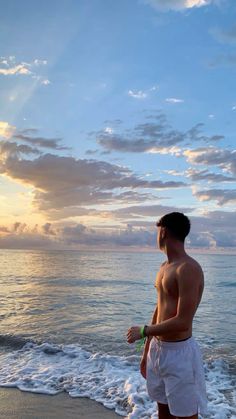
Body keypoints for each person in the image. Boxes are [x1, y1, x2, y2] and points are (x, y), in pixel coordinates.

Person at [126, 212, 208, 419]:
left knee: (185, 414)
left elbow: (183, 321)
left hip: (179, 354)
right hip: (157, 351)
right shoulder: (164, 267)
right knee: (162, 408)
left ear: (163, 232)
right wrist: (147, 351)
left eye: (157, 232)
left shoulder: (188, 269)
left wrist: (144, 331)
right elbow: (159, 309)